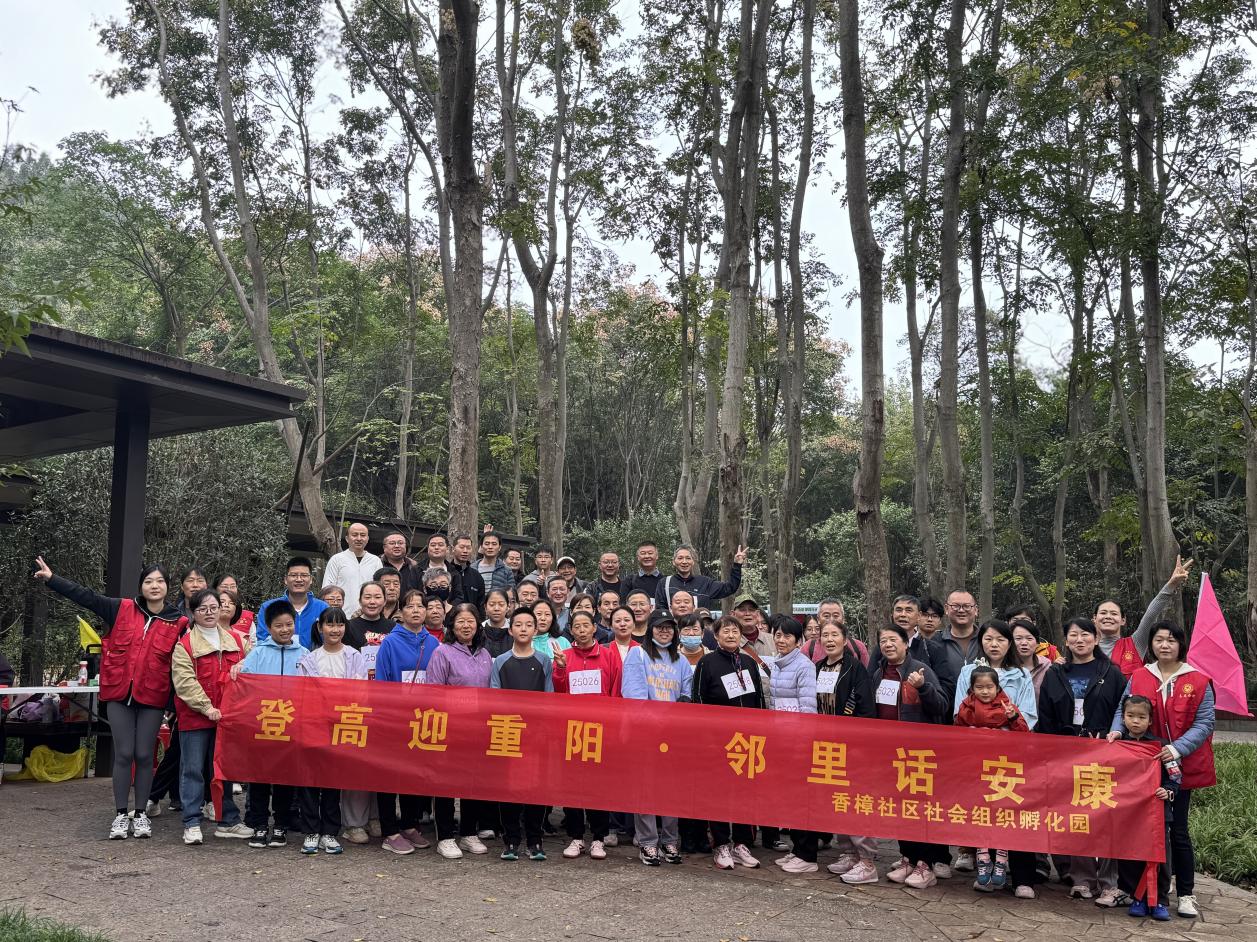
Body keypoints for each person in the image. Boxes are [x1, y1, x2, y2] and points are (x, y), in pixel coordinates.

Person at [35, 556, 186, 840]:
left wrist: (174, 703)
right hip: (118, 693)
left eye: (160, 581)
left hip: (153, 696)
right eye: (148, 581)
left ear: (168, 586)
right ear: (141, 586)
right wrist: (53, 579)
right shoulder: (121, 608)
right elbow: (86, 597)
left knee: (145, 755)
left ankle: (140, 814)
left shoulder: (178, 622)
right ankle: (120, 814)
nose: (154, 586)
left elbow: (184, 665)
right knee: (124, 753)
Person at [1108, 621, 1216, 919]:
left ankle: (1185, 894)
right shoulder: (1140, 675)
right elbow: (1122, 709)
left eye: (1171, 640)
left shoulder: (1198, 680)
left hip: (1179, 768)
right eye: (1158, 640)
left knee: (1177, 830)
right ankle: (1136, 891)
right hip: (1142, 768)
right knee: (1137, 830)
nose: (1164, 645)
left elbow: (1205, 722)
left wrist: (1176, 749)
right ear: (1152, 644)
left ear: (1181, 644)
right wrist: (1117, 730)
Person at [1037, 616, 1127, 905]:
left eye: (1086, 634)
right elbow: (1046, 715)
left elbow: (1122, 711)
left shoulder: (1112, 673)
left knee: (1106, 817)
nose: (1080, 639)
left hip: (1103, 753)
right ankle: (1082, 879)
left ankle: (1110, 882)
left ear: (1096, 639)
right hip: (1066, 754)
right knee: (1076, 816)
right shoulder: (1055, 673)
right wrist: (1052, 750)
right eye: (1073, 635)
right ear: (1065, 640)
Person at [873, 625, 949, 890]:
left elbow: (941, 706)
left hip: (918, 754)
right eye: (883, 640)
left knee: (919, 810)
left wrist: (923, 687)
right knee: (899, 808)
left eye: (893, 639)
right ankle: (908, 857)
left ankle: (925, 864)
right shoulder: (879, 673)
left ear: (906, 643)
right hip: (889, 753)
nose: (888, 644)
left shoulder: (920, 669)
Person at [169, 588, 247, 846]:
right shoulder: (185, 645)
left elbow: (252, 667)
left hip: (227, 719)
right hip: (195, 718)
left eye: (214, 607)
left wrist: (244, 666)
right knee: (192, 770)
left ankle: (228, 820)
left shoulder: (237, 641)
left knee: (223, 771)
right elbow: (185, 683)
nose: (210, 613)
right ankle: (192, 822)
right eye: (203, 609)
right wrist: (206, 707)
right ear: (193, 613)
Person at [691, 615, 766, 871]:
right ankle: (721, 844)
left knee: (745, 792)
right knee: (719, 792)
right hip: (718, 741)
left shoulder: (749, 662)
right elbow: (698, 700)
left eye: (735, 631)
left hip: (748, 741)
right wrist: (706, 738)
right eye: (726, 631)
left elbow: (759, 699)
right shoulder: (707, 662)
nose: (731, 635)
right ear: (716, 635)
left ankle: (742, 843)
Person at [807, 620, 878, 885]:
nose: (829, 639)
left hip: (852, 747)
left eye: (834, 634)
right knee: (837, 800)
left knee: (856, 800)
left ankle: (867, 860)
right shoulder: (816, 668)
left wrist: (857, 742)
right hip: (825, 747)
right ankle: (848, 852)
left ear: (845, 639)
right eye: (824, 635)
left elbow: (866, 709)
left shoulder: (856, 669)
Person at [234, 600, 309, 847]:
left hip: (290, 725)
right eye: (279, 626)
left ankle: (281, 825)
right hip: (262, 725)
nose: (285, 630)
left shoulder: (304, 654)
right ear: (268, 627)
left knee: (285, 779)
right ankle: (258, 824)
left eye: (289, 624)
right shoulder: (258, 653)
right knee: (259, 778)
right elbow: (245, 686)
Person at [621, 610, 692, 866]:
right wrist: (656, 723)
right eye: (659, 626)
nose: (664, 631)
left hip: (673, 735)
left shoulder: (681, 660)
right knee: (646, 787)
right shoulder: (637, 654)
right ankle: (648, 842)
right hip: (645, 733)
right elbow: (635, 695)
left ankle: (670, 839)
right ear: (650, 629)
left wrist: (677, 714)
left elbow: (686, 693)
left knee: (671, 788)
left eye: (669, 627)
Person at [295, 607, 368, 855]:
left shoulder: (354, 656)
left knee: (332, 781)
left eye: (339, 624)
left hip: (341, 725)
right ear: (320, 627)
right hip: (313, 725)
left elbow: (361, 691)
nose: (335, 630)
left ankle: (329, 832)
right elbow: (302, 694)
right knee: (309, 780)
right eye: (330, 624)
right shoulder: (309, 659)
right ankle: (311, 831)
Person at [374, 589, 441, 854]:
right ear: (401, 611)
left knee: (414, 774)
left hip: (423, 718)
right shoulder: (390, 642)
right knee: (389, 775)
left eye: (420, 606)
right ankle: (389, 831)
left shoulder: (434, 643)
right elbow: (381, 682)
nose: (415, 610)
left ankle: (410, 824)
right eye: (410, 606)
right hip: (395, 718)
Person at [426, 603, 495, 859]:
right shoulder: (442, 653)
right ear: (452, 625)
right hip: (450, 728)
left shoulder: (485, 654)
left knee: (472, 781)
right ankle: (445, 836)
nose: (466, 626)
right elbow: (433, 692)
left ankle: (468, 832)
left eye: (471, 621)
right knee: (445, 783)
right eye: (461, 621)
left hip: (477, 730)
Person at [552, 610, 621, 860]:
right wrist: (561, 669)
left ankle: (599, 838)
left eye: (585, 625)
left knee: (597, 786)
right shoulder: (564, 656)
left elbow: (616, 692)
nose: (581, 630)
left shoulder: (609, 655)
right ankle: (576, 837)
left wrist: (612, 727)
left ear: (594, 628)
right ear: (571, 630)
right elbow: (559, 693)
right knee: (572, 784)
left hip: (600, 730)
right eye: (576, 626)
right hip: (572, 730)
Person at [954, 666, 1029, 891]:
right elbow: (956, 734)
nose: (985, 691)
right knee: (980, 815)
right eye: (980, 687)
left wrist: (1013, 718)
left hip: (1002, 771)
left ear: (997, 688)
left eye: (989, 687)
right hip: (976, 770)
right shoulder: (965, 707)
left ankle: (1002, 859)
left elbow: (1024, 734)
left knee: (1002, 814)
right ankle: (983, 857)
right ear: (972, 688)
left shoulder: (1007, 707)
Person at [490, 608, 553, 862]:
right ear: (510, 629)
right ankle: (511, 840)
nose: (523, 628)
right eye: (518, 624)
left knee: (536, 787)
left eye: (529, 624)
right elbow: (495, 697)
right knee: (510, 788)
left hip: (536, 734)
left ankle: (535, 840)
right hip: (508, 731)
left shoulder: (544, 660)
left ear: (535, 630)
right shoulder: (500, 661)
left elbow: (548, 698)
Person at [1108, 695, 1176, 921]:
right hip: (1127, 812)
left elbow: (1175, 775)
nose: (1135, 721)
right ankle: (1135, 897)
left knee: (1159, 856)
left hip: (1156, 811)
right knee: (1129, 854)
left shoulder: (1161, 746)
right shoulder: (1117, 745)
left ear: (1150, 720)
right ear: (1123, 718)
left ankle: (1159, 901)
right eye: (1130, 716)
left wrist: (1168, 791)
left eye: (1141, 717)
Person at [764, 616, 818, 873]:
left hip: (798, 742)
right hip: (782, 740)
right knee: (790, 798)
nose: (781, 640)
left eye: (787, 636)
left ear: (798, 641)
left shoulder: (804, 666)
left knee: (803, 798)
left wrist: (802, 743)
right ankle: (797, 850)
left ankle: (807, 856)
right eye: (777, 635)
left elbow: (808, 707)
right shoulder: (778, 663)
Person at [1099, 556, 1192, 677]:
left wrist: (1171, 584)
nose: (1108, 616)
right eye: (1103, 613)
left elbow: (1151, 615)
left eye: (1114, 613)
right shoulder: (1084, 647)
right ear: (1094, 619)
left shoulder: (1135, 643)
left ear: (1123, 620)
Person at [951, 621, 1038, 731]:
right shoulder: (967, 672)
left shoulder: (1022, 675)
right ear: (981, 642)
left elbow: (1028, 714)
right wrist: (979, 731)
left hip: (1010, 738)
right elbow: (959, 712)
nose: (994, 644)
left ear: (1009, 644)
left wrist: (1002, 732)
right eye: (988, 639)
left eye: (1000, 640)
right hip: (973, 735)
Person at [257, 557, 328, 649]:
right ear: (286, 579)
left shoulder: (323, 608)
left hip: (315, 657)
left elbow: (329, 638)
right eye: (294, 575)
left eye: (304, 575)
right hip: (279, 657)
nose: (299, 579)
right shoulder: (269, 607)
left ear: (311, 579)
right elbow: (263, 641)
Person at [655, 543, 746, 611]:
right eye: (680, 558)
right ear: (674, 562)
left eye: (688, 558)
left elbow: (730, 587)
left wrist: (737, 565)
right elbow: (660, 610)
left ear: (693, 562)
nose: (684, 562)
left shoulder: (705, 583)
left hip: (699, 630)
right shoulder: (665, 583)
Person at [322, 523, 383, 617]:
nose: (359, 538)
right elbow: (327, 589)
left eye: (363, 535)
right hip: (342, 616)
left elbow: (380, 589)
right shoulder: (337, 559)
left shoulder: (375, 561)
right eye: (354, 535)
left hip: (369, 616)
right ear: (347, 538)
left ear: (367, 539)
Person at [1010, 619, 1054, 696]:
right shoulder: (1004, 667)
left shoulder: (1047, 667)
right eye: (1018, 638)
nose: (1024, 643)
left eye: (1029, 638)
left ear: (1037, 643)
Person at [344, 582, 392, 650]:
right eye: (367, 597)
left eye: (377, 597)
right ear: (360, 601)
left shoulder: (393, 627)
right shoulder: (348, 627)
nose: (372, 602)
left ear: (384, 601)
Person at [449, 534, 487, 609]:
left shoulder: (476, 576)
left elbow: (481, 604)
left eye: (468, 548)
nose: (465, 551)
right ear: (453, 549)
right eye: (462, 547)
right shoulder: (446, 572)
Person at [380, 531, 422, 595]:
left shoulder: (415, 566)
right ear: (384, 547)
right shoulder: (377, 564)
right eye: (392, 543)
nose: (397, 546)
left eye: (400, 543)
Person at [482, 589, 513, 657]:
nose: (496, 608)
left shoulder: (514, 630)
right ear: (485, 607)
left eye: (501, 605)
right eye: (492, 604)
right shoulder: (479, 630)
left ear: (508, 607)